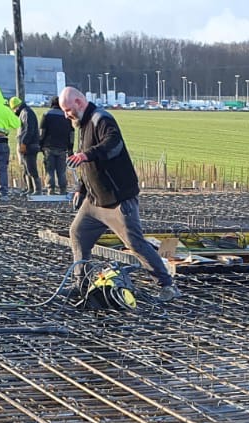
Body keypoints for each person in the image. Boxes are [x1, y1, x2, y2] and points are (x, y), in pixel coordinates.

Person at [60, 86, 179, 300]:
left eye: (67, 109)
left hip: (117, 200)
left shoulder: (101, 119)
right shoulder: (82, 124)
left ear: (79, 102)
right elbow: (88, 165)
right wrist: (81, 188)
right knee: (78, 234)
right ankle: (82, 284)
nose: (65, 114)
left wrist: (87, 155)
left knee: (135, 244)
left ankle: (167, 285)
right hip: (94, 202)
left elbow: (113, 144)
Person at [39, 95, 73, 195]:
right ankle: (63, 190)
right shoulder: (67, 116)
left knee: (50, 170)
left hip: (48, 147)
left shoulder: (47, 115)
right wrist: (70, 148)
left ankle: (51, 190)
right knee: (61, 171)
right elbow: (71, 133)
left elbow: (42, 132)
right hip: (62, 148)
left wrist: (40, 144)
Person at [11, 94, 42, 195]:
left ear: (16, 107)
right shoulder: (25, 112)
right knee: (26, 168)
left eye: (14, 109)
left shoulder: (26, 113)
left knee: (31, 167)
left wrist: (24, 143)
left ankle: (37, 190)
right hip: (28, 145)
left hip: (30, 145)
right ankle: (30, 188)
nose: (14, 112)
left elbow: (29, 130)